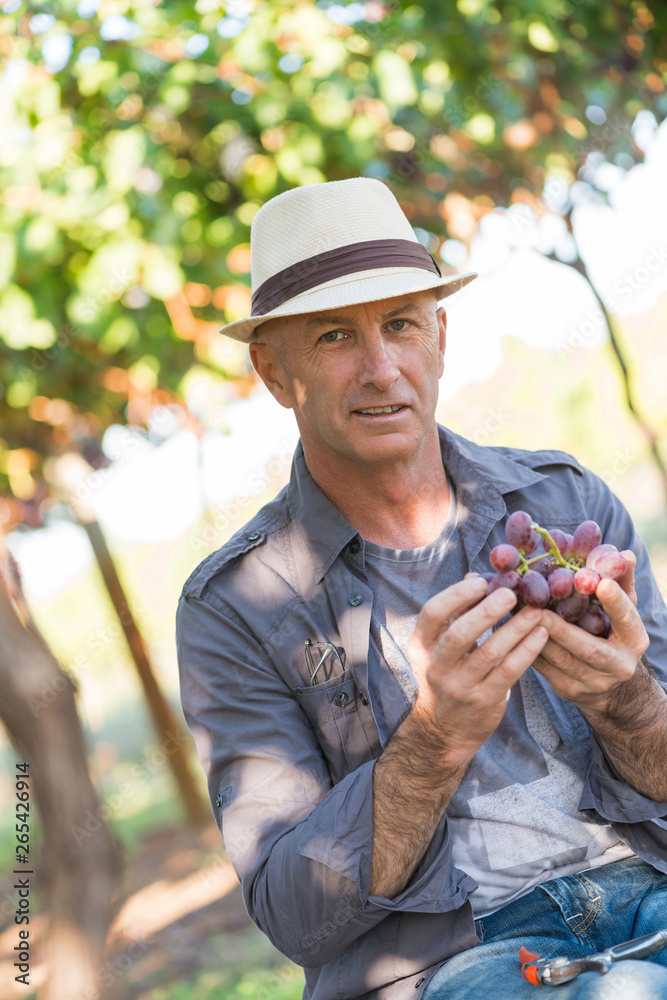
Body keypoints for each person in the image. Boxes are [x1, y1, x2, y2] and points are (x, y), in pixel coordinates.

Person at [176, 178, 667, 1000]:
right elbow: (296, 915)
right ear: (272, 369)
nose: (381, 369)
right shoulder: (233, 606)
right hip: (455, 962)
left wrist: (624, 700)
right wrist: (436, 737)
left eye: (401, 324)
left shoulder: (562, 505)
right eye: (334, 337)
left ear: (439, 335)